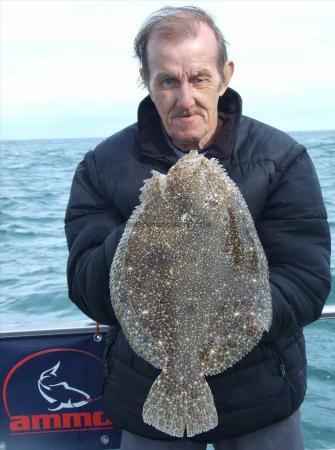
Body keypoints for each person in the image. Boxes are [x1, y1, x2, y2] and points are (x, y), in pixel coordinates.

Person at [65, 6, 331, 450]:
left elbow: (306, 280)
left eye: (199, 78)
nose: (185, 97)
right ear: (146, 81)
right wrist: (145, 225)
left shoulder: (282, 159)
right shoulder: (102, 167)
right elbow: (85, 286)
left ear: (224, 75)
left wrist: (236, 322)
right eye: (168, 80)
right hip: (144, 398)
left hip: (260, 398)